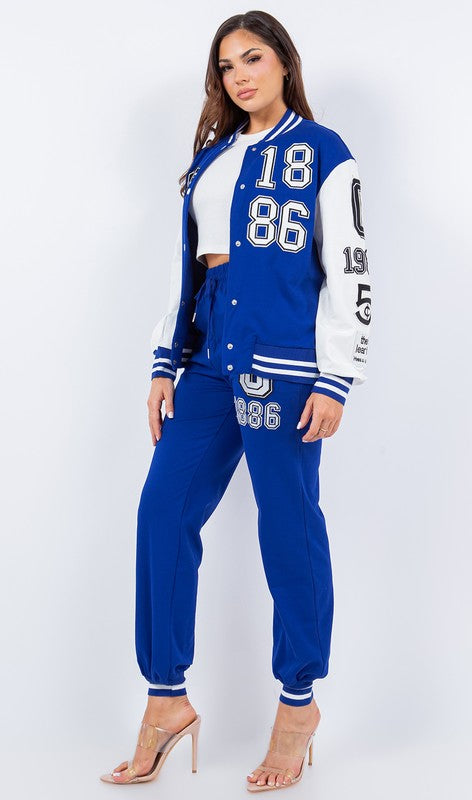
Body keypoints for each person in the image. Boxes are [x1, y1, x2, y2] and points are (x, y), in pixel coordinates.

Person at [100, 9, 371, 792]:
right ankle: (165, 697)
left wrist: (335, 375)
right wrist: (165, 360)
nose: (239, 75)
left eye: (252, 58)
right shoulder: (210, 161)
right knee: (162, 511)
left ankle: (297, 704)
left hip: (284, 367)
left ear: (283, 61)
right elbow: (188, 269)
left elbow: (350, 267)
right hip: (208, 363)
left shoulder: (324, 153)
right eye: (226, 66)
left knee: (287, 527)